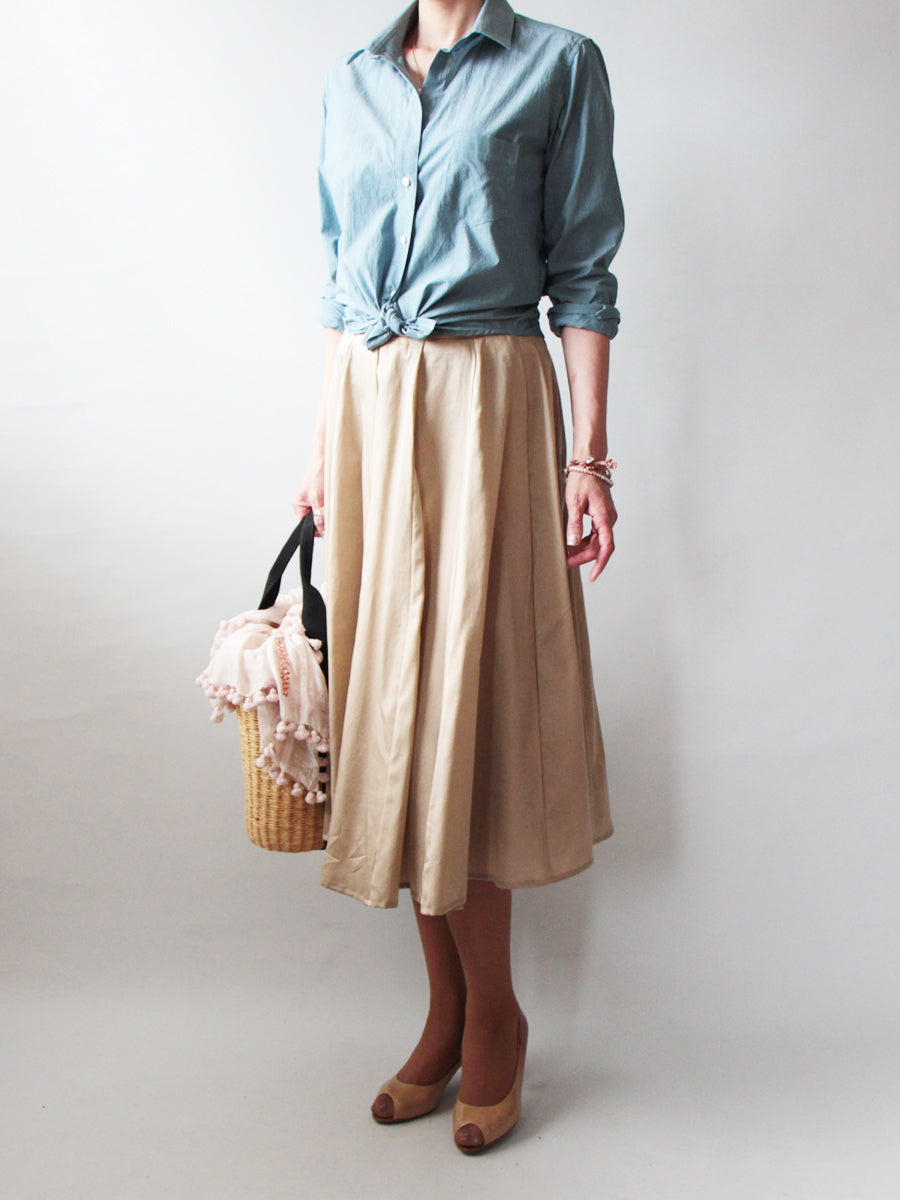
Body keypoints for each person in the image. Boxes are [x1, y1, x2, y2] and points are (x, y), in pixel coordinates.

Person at [293, 0, 624, 1153]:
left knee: (469, 710)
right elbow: (337, 274)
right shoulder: (352, 79)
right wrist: (320, 449)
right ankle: (444, 1012)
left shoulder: (559, 65)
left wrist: (588, 457)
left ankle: (495, 1016)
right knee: (392, 714)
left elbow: (584, 272)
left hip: (487, 402)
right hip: (370, 409)